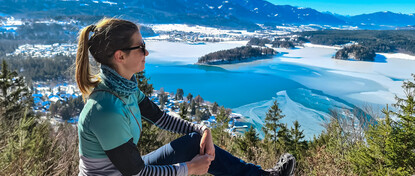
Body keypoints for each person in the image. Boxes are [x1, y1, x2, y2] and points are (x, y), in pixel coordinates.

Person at [75, 18, 296, 176]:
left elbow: (160, 118)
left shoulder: (125, 88)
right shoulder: (106, 110)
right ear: (120, 56)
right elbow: (137, 172)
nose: (147, 52)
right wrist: (190, 169)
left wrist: (201, 130)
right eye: (141, 47)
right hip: (131, 172)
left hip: (129, 170)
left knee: (193, 143)